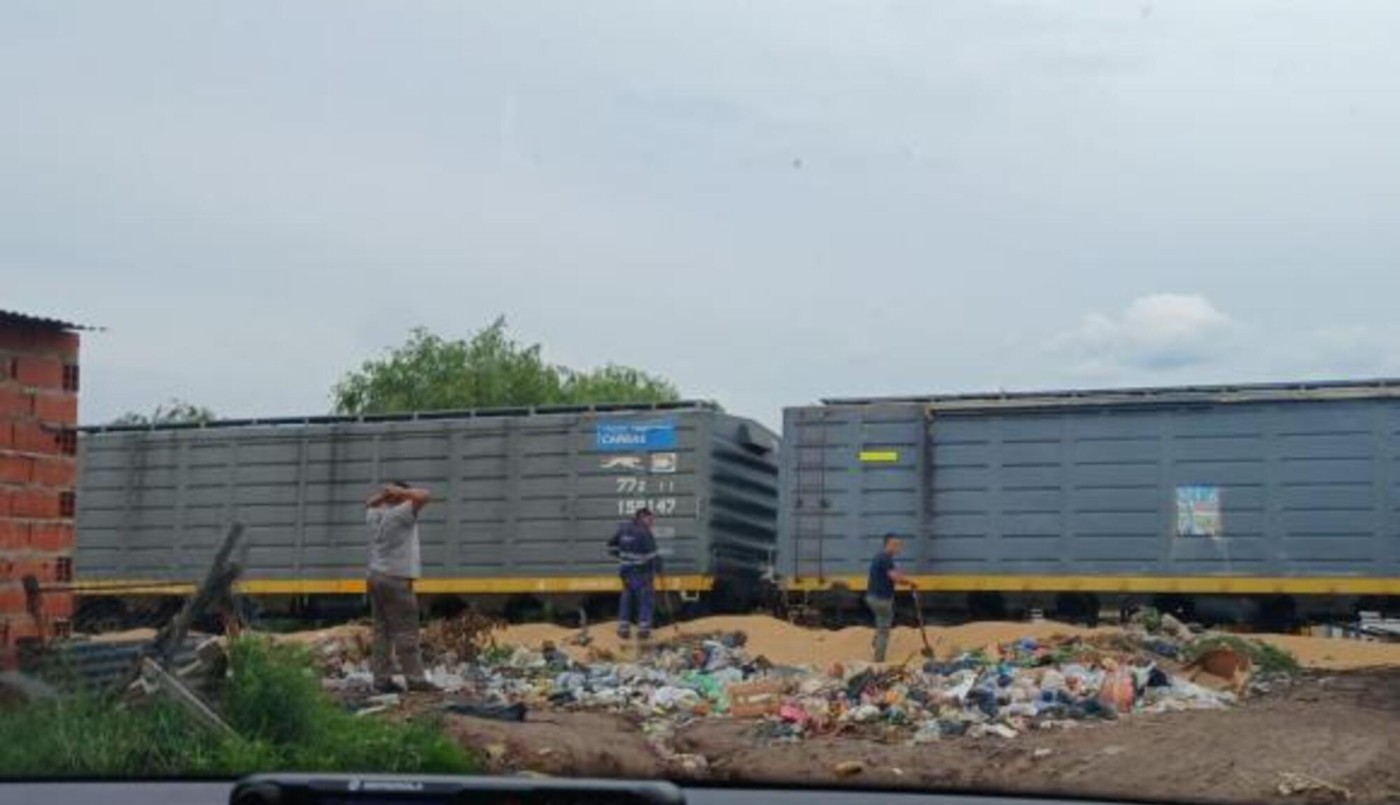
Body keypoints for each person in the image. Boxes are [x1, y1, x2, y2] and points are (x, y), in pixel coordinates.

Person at [365, 480, 436, 693]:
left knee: (381, 631)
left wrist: (383, 496)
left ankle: (381, 680)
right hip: (396, 578)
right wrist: (401, 492)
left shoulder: (375, 513)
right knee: (406, 631)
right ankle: (415, 680)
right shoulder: (400, 514)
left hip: (375, 575)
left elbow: (368, 503)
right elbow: (424, 495)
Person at [608, 507, 662, 639]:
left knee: (626, 599)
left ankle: (623, 629)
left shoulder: (623, 529)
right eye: (650, 519)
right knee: (645, 600)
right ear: (642, 517)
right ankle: (643, 630)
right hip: (641, 573)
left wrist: (621, 555)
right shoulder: (644, 532)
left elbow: (611, 546)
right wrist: (658, 568)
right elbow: (652, 556)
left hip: (625, 573)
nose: (652, 522)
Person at [866, 533, 915, 662]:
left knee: (881, 621)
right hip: (881, 599)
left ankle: (875, 645)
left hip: (873, 597)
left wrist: (901, 577)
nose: (899, 547)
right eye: (896, 544)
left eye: (899, 545)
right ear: (888, 545)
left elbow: (893, 575)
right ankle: (879, 660)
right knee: (884, 629)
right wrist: (909, 582)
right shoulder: (886, 559)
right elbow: (895, 578)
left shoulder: (880, 558)